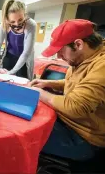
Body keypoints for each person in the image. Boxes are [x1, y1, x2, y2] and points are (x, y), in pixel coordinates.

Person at [28, 19, 105, 161]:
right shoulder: (83, 57)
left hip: (83, 139)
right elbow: (77, 83)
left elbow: (76, 107)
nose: (58, 57)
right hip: (66, 123)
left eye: (61, 50)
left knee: (24, 137)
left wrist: (38, 93)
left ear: (78, 44)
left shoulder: (101, 65)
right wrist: (48, 83)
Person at [0, 0, 36, 80]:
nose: (17, 24)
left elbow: (26, 53)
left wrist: (11, 72)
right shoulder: (4, 24)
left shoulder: (31, 25)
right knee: (4, 81)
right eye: (12, 21)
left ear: (25, 14)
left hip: (24, 60)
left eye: (20, 20)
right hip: (10, 57)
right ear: (7, 19)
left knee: (22, 84)